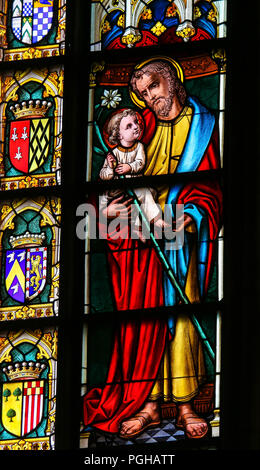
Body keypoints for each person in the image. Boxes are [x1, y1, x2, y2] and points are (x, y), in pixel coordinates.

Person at [83, 58, 222, 440]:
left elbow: (213, 190)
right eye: (143, 94)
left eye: (154, 88)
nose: (150, 99)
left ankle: (184, 406)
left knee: (180, 319)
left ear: (173, 82)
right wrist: (106, 210)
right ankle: (146, 405)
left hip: (179, 240)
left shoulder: (204, 126)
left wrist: (191, 215)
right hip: (141, 245)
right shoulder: (140, 131)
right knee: (147, 322)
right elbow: (107, 191)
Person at [99, 108, 169, 241]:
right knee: (136, 199)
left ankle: (153, 220)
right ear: (119, 135)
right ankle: (139, 228)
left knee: (141, 197)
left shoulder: (139, 147)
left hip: (135, 184)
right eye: (129, 126)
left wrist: (128, 167)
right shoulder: (113, 153)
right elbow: (104, 176)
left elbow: (140, 163)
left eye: (136, 122)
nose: (136, 127)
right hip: (118, 190)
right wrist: (109, 166)